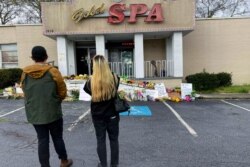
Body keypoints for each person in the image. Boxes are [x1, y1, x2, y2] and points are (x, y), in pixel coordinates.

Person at [20, 46, 73, 167]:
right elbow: (62, 90)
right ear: (46, 56)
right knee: (57, 138)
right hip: (53, 111)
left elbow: (24, 90)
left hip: (35, 113)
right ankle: (64, 161)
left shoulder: (25, 73)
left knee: (42, 140)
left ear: (32, 57)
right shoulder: (52, 71)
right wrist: (57, 100)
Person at [84, 55, 120, 167]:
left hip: (98, 116)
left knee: (101, 140)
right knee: (114, 140)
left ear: (94, 66)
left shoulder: (90, 82)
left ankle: (103, 165)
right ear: (106, 65)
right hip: (112, 114)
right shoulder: (115, 78)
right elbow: (115, 91)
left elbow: (88, 91)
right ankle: (114, 165)